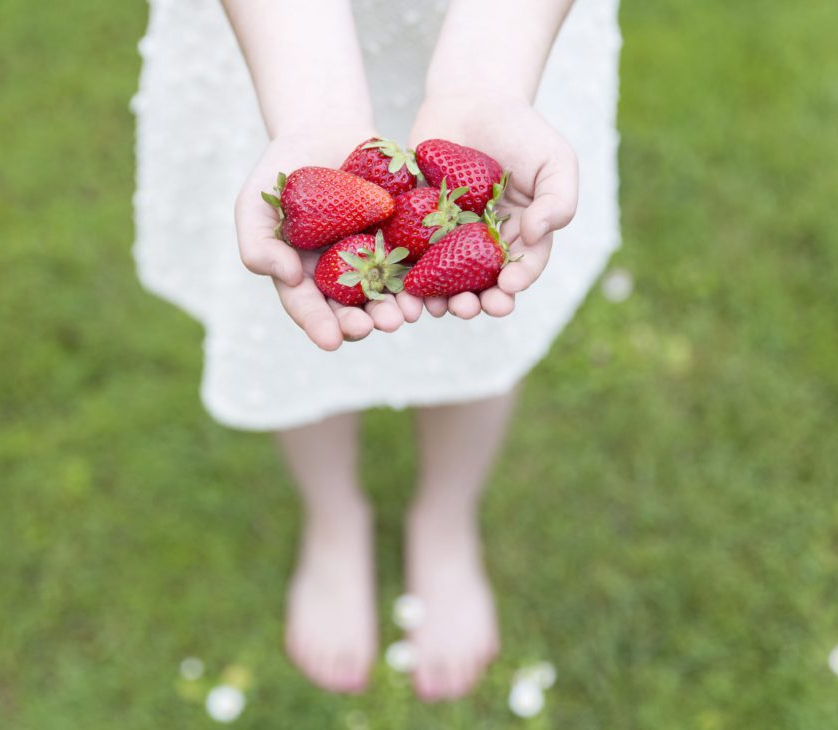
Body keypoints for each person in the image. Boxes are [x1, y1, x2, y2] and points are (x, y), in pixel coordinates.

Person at [133, 0, 621, 701]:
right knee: (290, 305)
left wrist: (488, 83)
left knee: (484, 322)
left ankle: (445, 518)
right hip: (277, 36)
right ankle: (334, 519)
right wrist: (307, 112)